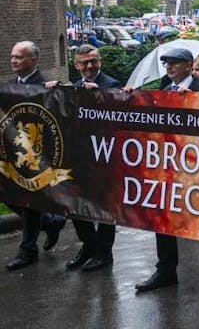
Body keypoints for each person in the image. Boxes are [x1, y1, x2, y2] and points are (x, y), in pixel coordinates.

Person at [134, 48, 199, 292]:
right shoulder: (165, 92)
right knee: (163, 214)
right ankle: (166, 269)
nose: (169, 67)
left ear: (189, 65)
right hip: (172, 165)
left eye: (175, 63)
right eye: (166, 63)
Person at [5, 41, 67, 271]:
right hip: (14, 152)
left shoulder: (46, 85)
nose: (13, 61)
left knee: (29, 200)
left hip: (39, 155)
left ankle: (27, 250)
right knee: (9, 195)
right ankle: (51, 222)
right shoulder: (10, 86)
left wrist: (56, 90)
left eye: (19, 57)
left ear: (33, 60)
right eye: (12, 57)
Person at [62, 45, 122, 272]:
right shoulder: (74, 88)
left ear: (100, 62)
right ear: (76, 65)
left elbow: (118, 117)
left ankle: (104, 253)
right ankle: (89, 246)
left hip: (105, 156)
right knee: (75, 204)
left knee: (105, 208)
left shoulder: (111, 85)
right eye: (84, 62)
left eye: (93, 61)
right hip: (81, 157)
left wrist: (101, 96)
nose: (89, 66)